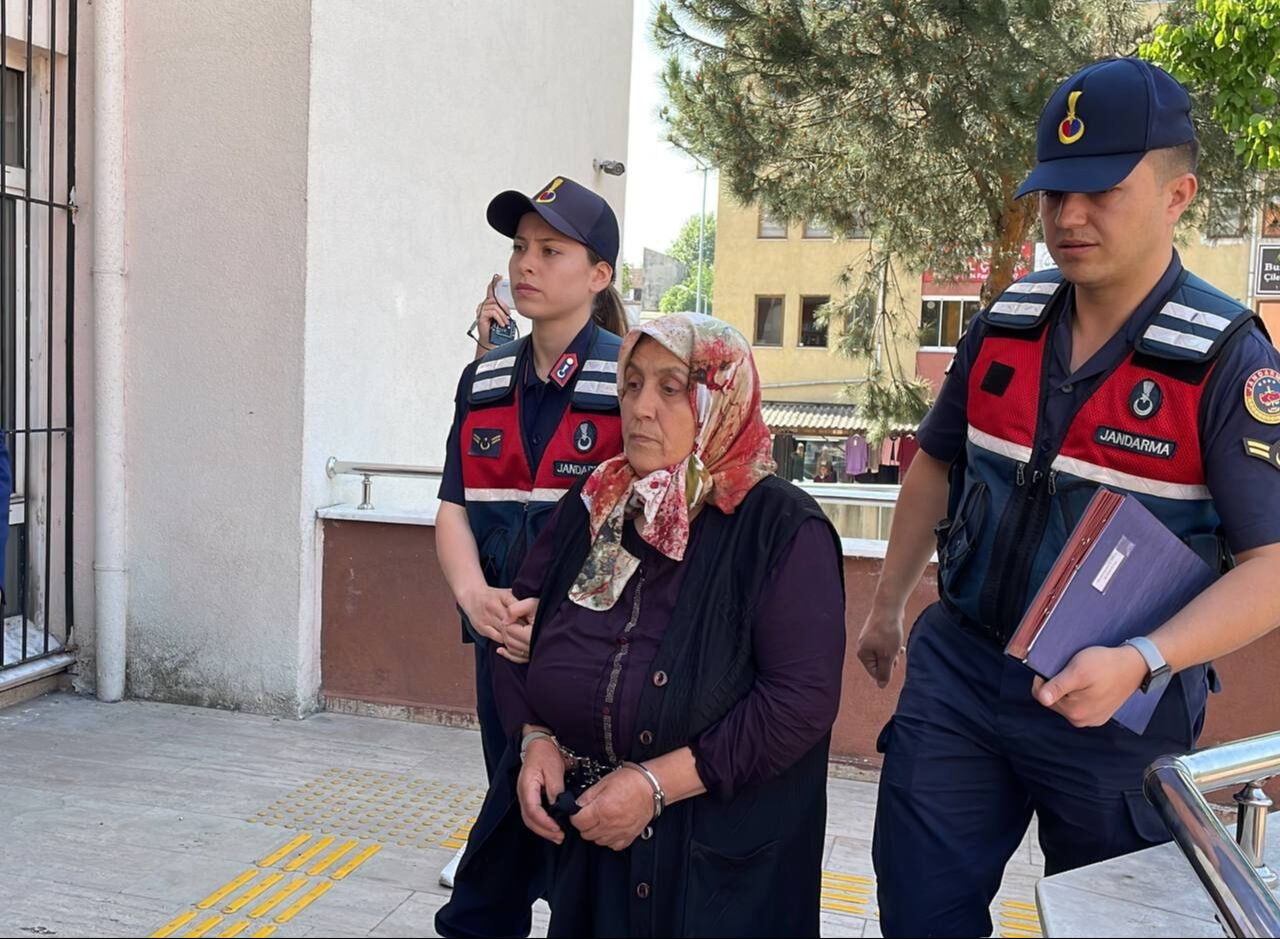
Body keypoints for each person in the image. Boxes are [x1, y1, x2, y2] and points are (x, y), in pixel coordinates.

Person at [858, 57, 1280, 937]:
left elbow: (1272, 567)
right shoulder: (1006, 323)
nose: (1068, 217)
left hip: (1119, 706)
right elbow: (934, 464)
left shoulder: (1226, 358)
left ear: (1178, 195)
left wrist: (1145, 658)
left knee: (1109, 925)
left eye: (1100, 191)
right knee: (917, 910)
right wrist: (889, 604)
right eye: (1053, 193)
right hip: (963, 677)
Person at [437, 313, 846, 937]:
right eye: (630, 385)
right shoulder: (600, 500)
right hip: (599, 841)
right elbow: (518, 633)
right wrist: (536, 738)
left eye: (670, 387)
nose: (640, 408)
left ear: (719, 395)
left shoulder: (780, 528)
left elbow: (799, 703)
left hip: (712, 861)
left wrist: (656, 784)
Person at [434, 176, 628, 906]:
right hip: (501, 647)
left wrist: (559, 615)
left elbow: (651, 522)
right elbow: (454, 505)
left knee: (579, 843)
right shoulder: (482, 377)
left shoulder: (631, 374)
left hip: (595, 651)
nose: (527, 264)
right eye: (520, 247)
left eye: (551, 250)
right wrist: (473, 595)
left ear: (599, 274)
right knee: (513, 801)